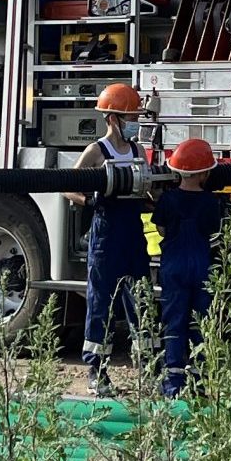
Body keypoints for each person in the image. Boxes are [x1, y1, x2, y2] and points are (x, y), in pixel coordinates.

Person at [65, 82, 151, 396]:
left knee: (140, 299)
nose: (135, 123)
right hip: (106, 233)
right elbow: (67, 185)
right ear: (112, 118)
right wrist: (89, 201)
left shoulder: (138, 150)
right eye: (130, 117)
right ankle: (97, 373)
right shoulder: (97, 151)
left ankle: (147, 368)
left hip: (133, 232)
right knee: (102, 302)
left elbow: (149, 183)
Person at [143, 137, 225, 398]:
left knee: (174, 321)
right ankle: (199, 382)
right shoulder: (212, 202)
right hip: (202, 265)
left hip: (174, 265)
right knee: (201, 322)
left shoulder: (168, 200)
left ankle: (172, 382)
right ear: (205, 173)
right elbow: (215, 233)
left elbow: (161, 228)